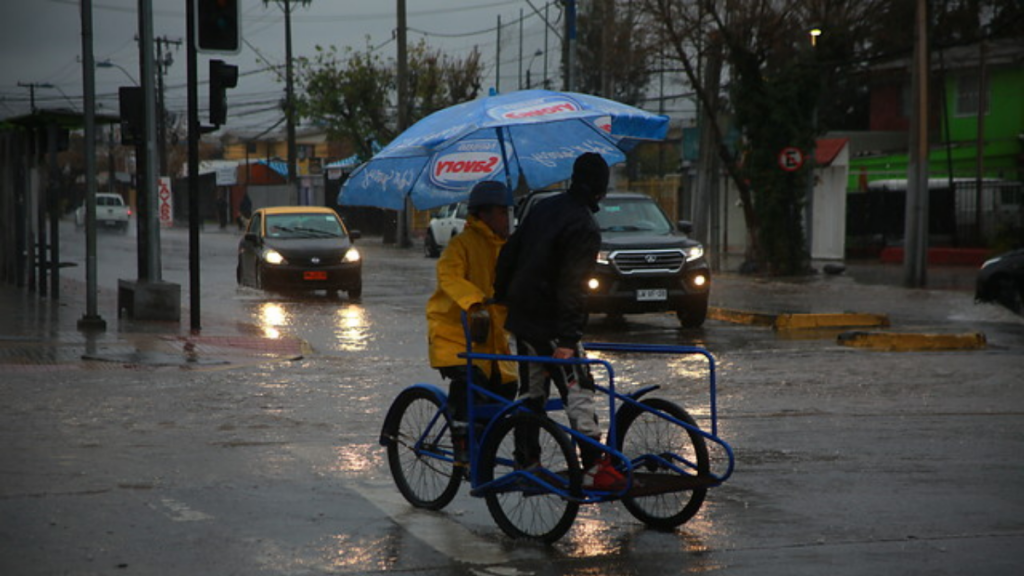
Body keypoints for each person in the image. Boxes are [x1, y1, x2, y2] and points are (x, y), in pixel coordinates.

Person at [494, 152, 626, 491]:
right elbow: (573, 287)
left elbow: (509, 253)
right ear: (601, 188)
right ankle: (594, 467)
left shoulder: (543, 207)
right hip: (553, 324)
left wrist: (502, 294)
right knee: (579, 390)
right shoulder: (584, 225)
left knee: (531, 392)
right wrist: (568, 340)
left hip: (523, 317)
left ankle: (528, 460)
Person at [426, 180, 518, 465]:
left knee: (507, 387)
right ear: (485, 214)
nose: (508, 219)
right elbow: (450, 277)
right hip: (454, 334)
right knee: (470, 384)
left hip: (492, 339)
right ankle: (462, 443)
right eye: (503, 213)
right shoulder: (460, 245)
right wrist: (475, 302)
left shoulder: (507, 248)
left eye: (508, 212)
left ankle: (484, 441)